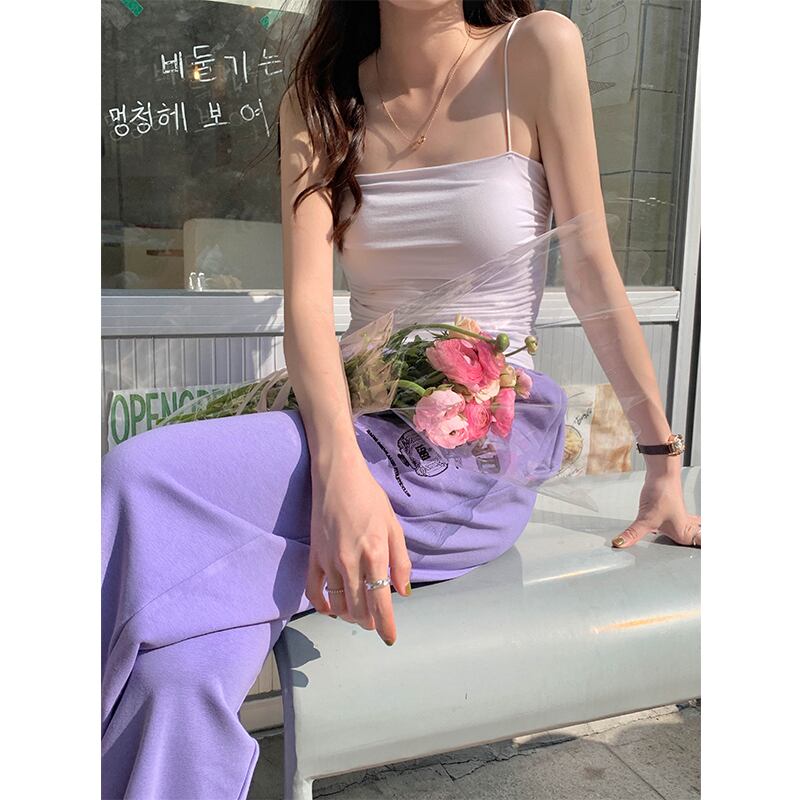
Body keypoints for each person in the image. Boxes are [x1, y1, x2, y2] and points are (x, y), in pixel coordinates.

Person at [101, 2, 701, 797]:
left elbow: (592, 271)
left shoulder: (535, 49)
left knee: (136, 476)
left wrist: (662, 460)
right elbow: (308, 308)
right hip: (352, 436)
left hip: (472, 452)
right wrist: (340, 471)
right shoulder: (322, 98)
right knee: (175, 675)